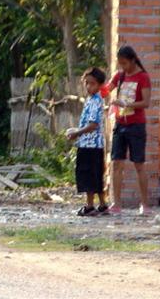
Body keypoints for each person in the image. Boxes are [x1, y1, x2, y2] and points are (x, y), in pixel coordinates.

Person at [105, 46, 152, 216]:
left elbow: (146, 103)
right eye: (120, 63)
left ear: (133, 60)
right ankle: (116, 204)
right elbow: (106, 90)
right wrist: (97, 83)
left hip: (136, 125)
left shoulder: (143, 77)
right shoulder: (120, 76)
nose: (123, 66)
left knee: (139, 164)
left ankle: (145, 204)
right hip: (120, 123)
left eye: (125, 63)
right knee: (116, 163)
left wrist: (127, 104)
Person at [67, 67, 108, 216]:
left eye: (92, 83)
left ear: (100, 85)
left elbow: (93, 124)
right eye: (87, 83)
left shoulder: (95, 101)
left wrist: (77, 133)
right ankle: (103, 205)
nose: (89, 86)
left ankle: (90, 206)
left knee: (88, 175)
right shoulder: (92, 100)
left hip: (90, 145)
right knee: (96, 175)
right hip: (93, 145)